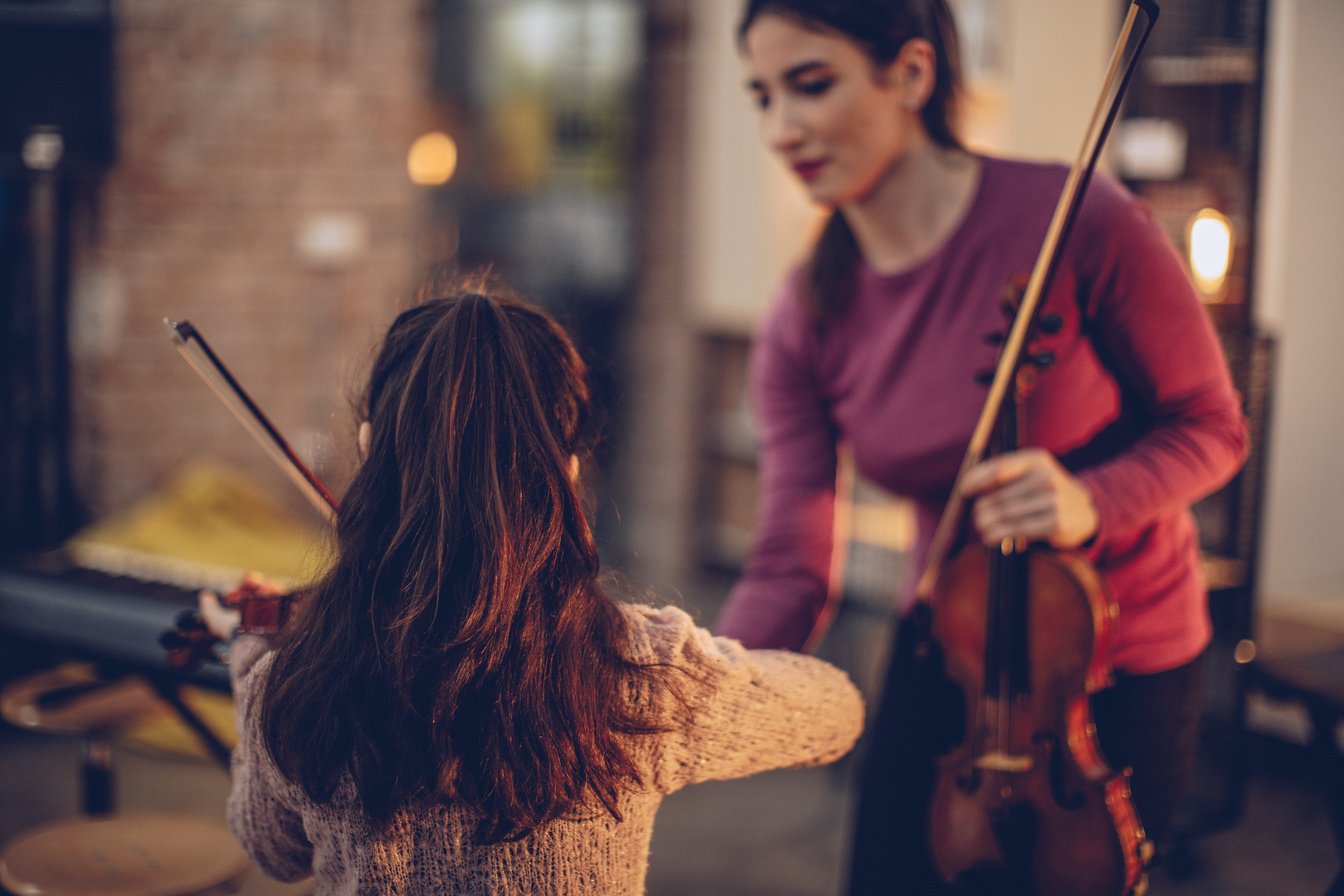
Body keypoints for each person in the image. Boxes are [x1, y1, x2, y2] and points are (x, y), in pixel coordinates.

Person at [713, 0, 1249, 892]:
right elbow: (789, 563)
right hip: (950, 639)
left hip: (1120, 650)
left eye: (811, 85)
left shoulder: (1082, 220)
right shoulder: (805, 313)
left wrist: (1093, 498)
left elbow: (1212, 424)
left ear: (913, 75)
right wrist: (707, 688)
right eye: (762, 96)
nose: (781, 127)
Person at [200, 285, 863, 894]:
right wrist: (697, 662)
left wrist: (256, 654)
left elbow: (274, 853)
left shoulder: (290, 686)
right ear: (567, 470)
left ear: (371, 447)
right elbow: (839, 711)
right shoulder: (640, 673)